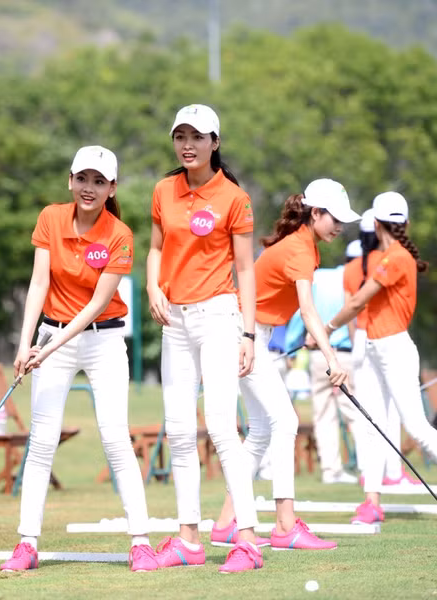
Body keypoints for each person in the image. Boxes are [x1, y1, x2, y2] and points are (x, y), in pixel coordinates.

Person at [0, 145, 155, 573]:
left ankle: (140, 542)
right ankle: (27, 543)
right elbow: (38, 283)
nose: (89, 188)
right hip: (51, 334)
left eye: (99, 181)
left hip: (103, 341)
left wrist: (47, 348)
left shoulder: (119, 235)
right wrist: (25, 344)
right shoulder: (50, 218)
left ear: (112, 188)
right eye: (82, 178)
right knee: (42, 440)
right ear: (70, 180)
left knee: (115, 438)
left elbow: (96, 305)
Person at [326, 191, 437, 526]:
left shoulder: (396, 258)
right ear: (407, 224)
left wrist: (325, 329)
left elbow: (357, 302)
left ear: (376, 223)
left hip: (395, 349)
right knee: (373, 425)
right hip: (374, 349)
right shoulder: (385, 257)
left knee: (417, 428)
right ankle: (372, 502)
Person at [146, 104, 262, 573]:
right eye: (180, 136)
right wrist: (152, 287)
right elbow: (155, 249)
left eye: (197, 136)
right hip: (173, 320)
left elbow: (246, 269)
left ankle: (247, 540)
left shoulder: (235, 198)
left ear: (215, 142)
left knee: (220, 426)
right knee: (178, 430)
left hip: (218, 316)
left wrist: (248, 332)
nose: (188, 145)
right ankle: (188, 540)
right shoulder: (163, 190)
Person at [212, 179, 357, 552]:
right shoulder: (300, 248)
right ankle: (284, 526)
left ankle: (226, 523)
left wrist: (313, 338)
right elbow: (308, 310)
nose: (339, 226)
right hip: (242, 333)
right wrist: (331, 358)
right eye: (335, 218)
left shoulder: (305, 245)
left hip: (247, 331)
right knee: (285, 421)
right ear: (316, 213)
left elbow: (295, 307)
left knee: (262, 429)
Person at [342, 209, 418, 488]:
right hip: (384, 335)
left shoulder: (350, 268)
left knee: (368, 412)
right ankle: (393, 472)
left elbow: (351, 308)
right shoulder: (386, 259)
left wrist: (354, 343)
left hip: (362, 338)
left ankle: (368, 471)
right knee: (392, 411)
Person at [283, 234, 362, 486]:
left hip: (318, 355)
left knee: (324, 414)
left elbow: (302, 313)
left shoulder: (321, 277)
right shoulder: (358, 280)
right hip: (346, 355)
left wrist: (292, 348)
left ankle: (331, 470)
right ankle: (370, 468)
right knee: (355, 413)